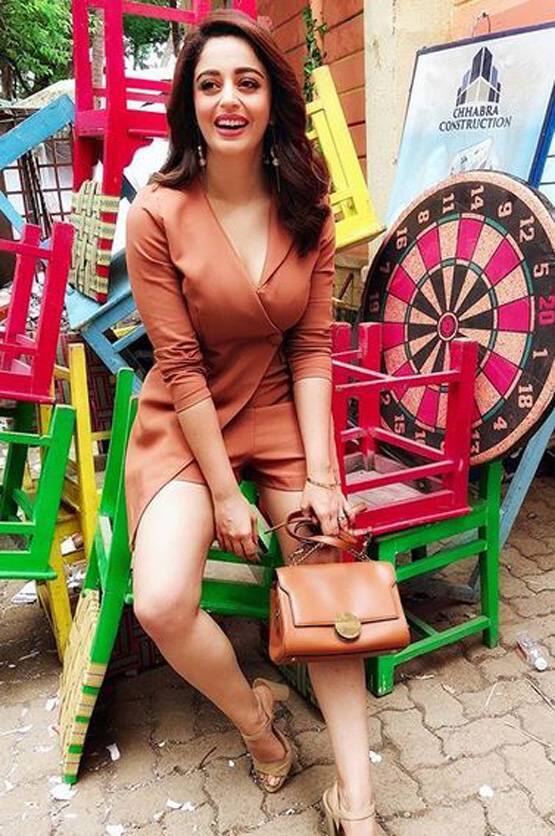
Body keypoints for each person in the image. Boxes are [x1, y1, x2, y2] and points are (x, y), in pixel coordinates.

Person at [125, 10, 376, 835]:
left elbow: (311, 350)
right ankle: (257, 721)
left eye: (246, 82)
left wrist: (323, 478)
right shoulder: (157, 213)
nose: (227, 99)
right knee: (162, 601)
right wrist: (226, 496)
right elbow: (180, 365)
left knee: (325, 575)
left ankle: (356, 804)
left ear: (271, 99)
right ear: (188, 104)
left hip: (276, 411)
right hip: (185, 419)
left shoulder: (307, 206)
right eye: (208, 84)